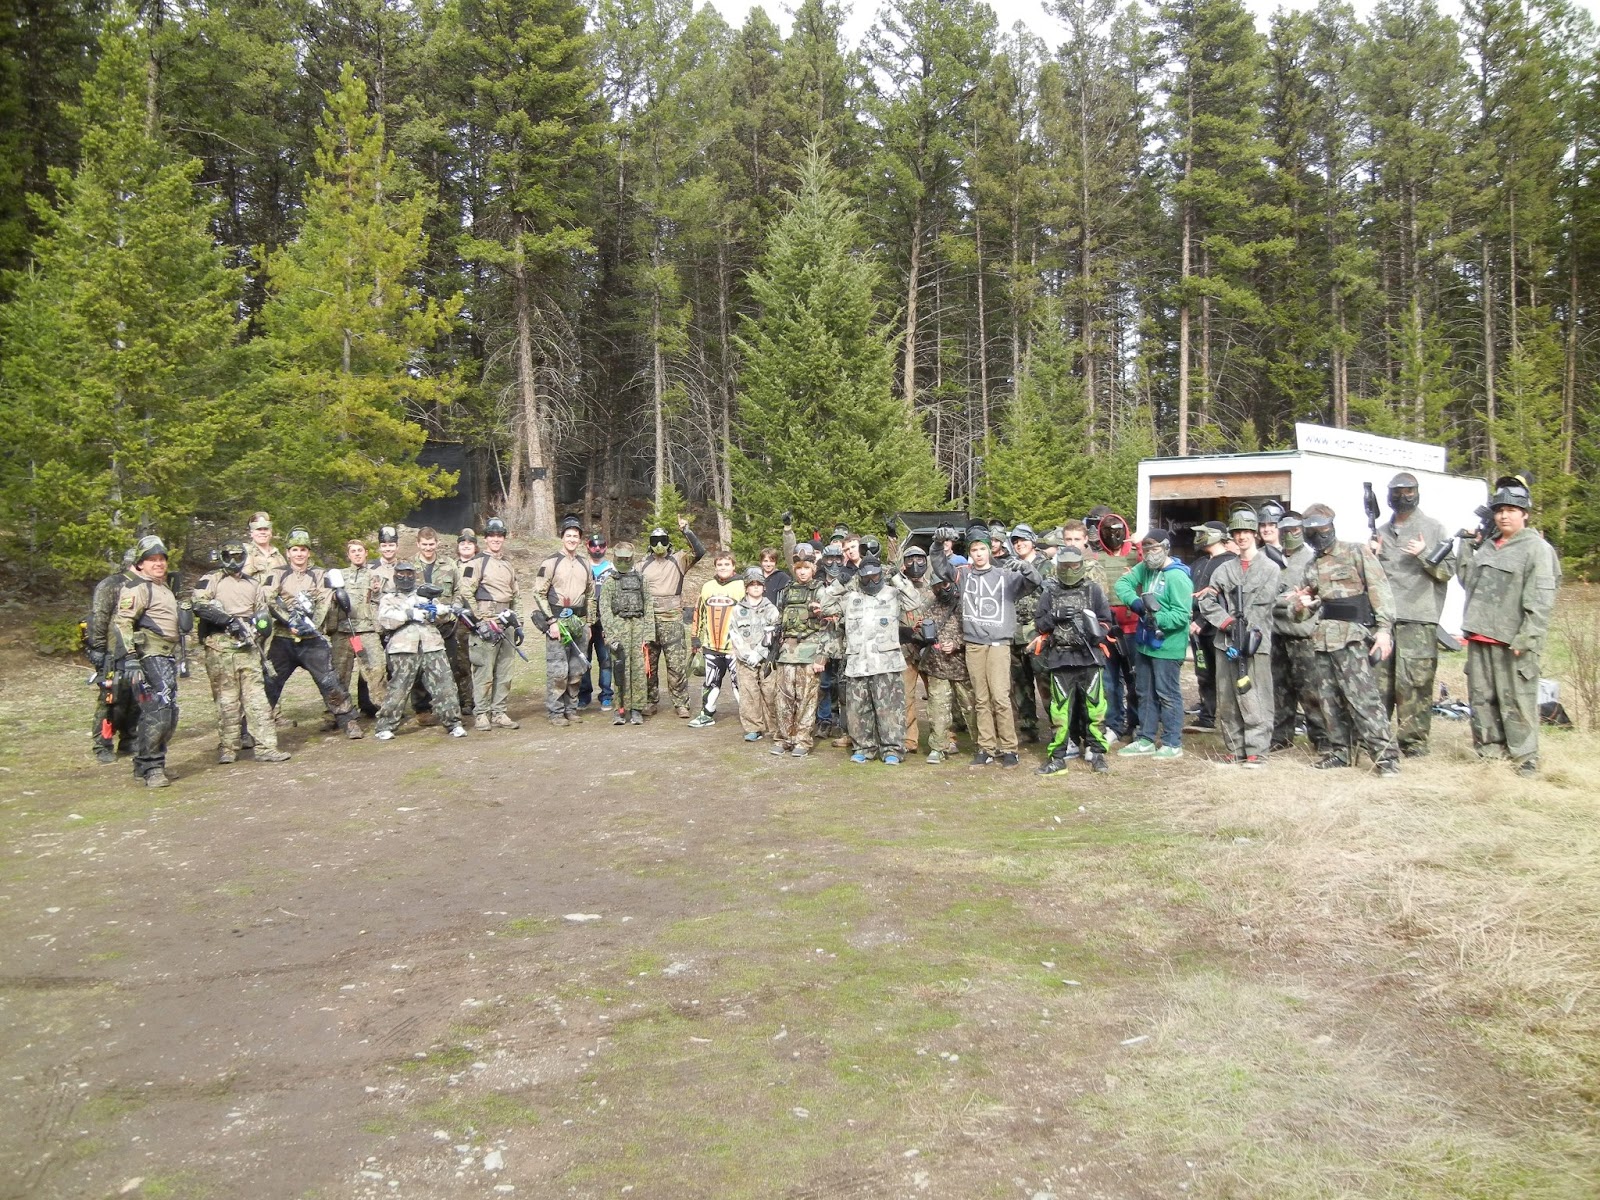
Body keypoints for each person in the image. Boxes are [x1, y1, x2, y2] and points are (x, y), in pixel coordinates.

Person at [1288, 505, 1400, 775]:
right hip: (1323, 639)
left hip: (1353, 638)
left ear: (1332, 526)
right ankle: (1341, 751)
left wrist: (1384, 630)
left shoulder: (1355, 551)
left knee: (1364, 699)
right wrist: (1301, 605)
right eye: (1313, 531)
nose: (1319, 535)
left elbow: (1379, 589)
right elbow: (1301, 612)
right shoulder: (1311, 566)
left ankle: (1385, 757)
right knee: (1329, 701)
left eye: (1323, 529)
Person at [1457, 477, 1558, 776]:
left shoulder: (1536, 548)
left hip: (1512, 640)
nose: (1504, 515)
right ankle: (1490, 753)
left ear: (1524, 513)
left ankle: (1525, 758)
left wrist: (1527, 637)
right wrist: (1466, 547)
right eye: (1499, 510)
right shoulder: (1488, 547)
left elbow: (1542, 599)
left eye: (1512, 509)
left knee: (1517, 700)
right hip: (1479, 636)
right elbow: (1468, 582)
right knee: (1482, 699)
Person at [934, 524, 1042, 768]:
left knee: (1001, 697)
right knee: (981, 699)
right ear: (970, 552)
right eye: (974, 549)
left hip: (998, 644)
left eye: (983, 548)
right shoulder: (963, 574)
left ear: (990, 550)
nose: (979, 553)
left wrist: (1026, 568)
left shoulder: (1005, 575)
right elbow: (940, 566)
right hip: (974, 644)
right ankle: (986, 747)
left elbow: (1036, 582)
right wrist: (936, 544)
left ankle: (1009, 748)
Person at [1372, 472, 1455, 757]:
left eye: (1409, 491)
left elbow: (1446, 572)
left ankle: (1413, 744)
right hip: (1383, 621)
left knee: (1414, 685)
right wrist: (1370, 556)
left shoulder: (1433, 528)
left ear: (1417, 493)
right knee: (1378, 683)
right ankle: (1377, 739)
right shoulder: (1380, 532)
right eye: (1397, 492)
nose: (1403, 497)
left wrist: (1424, 553)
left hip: (1418, 619)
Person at [191, 540, 290, 765]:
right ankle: (229, 748)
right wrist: (227, 621)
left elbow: (263, 612)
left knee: (257, 699)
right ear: (222, 557)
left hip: (248, 648)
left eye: (238, 557)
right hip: (220, 649)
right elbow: (199, 604)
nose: (234, 562)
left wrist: (259, 630)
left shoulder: (253, 584)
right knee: (227, 701)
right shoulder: (211, 580)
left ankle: (266, 747)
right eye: (229, 557)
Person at [1194, 510, 1279, 767]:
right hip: (1225, 641)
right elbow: (1207, 600)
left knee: (1256, 696)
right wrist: (1227, 622)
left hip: (1254, 642)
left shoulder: (1269, 568)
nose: (1241, 537)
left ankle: (1257, 749)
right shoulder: (1224, 569)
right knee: (1228, 697)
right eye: (1237, 533)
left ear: (1254, 534)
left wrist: (1244, 629)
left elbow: (1263, 606)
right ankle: (1235, 747)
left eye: (1246, 532)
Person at [820, 558, 921, 763]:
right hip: (858, 663)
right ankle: (863, 748)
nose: (871, 580)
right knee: (858, 710)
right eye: (866, 576)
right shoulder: (851, 597)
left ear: (881, 575)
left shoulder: (892, 594)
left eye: (875, 576)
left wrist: (897, 577)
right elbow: (825, 605)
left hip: (887, 663)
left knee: (890, 710)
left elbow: (914, 601)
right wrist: (839, 583)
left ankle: (892, 750)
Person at [262, 528, 361, 738]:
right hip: (283, 639)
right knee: (269, 684)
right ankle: (252, 730)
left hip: (312, 640)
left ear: (309, 552)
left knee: (330, 682)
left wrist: (311, 625)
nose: (299, 554)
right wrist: (289, 621)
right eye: (295, 550)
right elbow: (269, 599)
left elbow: (324, 601)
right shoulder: (277, 574)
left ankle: (348, 720)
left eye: (303, 550)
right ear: (288, 552)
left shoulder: (320, 574)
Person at [110, 535, 188, 787]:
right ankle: (151, 767)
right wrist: (131, 658)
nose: (158, 564)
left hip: (166, 655)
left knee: (168, 711)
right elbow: (123, 621)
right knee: (159, 709)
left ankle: (149, 764)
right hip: (149, 654)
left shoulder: (163, 587)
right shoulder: (137, 587)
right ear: (140, 563)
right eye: (152, 560)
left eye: (161, 559)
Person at [1033, 545, 1114, 776]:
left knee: (1096, 710)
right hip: (1060, 658)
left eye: (1073, 566)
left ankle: (1097, 754)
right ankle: (1057, 758)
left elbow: (1107, 622)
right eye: (1064, 566)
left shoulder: (1093, 590)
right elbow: (1039, 624)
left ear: (1080, 565)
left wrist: (1097, 631)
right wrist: (1054, 617)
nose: (1069, 570)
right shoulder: (1049, 592)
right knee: (1059, 712)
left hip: (1089, 658)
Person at [1114, 529, 1192, 760]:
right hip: (1145, 644)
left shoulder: (1177, 577)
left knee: (1167, 694)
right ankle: (1146, 739)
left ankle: (1171, 742)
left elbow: (1182, 615)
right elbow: (1122, 585)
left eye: (1154, 549)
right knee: (1144, 692)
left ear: (1166, 547)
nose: (1149, 554)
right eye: (1146, 549)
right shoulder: (1146, 568)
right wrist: (1137, 604)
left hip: (1168, 646)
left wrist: (1157, 619)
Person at [372, 562, 466, 740]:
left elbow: (441, 615)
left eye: (409, 574)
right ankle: (385, 726)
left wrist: (438, 612)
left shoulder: (424, 595)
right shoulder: (388, 598)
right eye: (401, 574)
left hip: (432, 645)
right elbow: (384, 620)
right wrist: (408, 614)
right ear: (395, 576)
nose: (405, 578)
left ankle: (454, 723)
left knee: (445, 685)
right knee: (398, 688)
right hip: (403, 648)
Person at [1269, 512, 1329, 753]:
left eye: (1295, 531)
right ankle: (1281, 735)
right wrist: (1286, 602)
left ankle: (1322, 737)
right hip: (1277, 633)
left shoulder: (1312, 560)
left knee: (1310, 689)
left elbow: (1317, 597)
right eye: (1285, 531)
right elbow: (1263, 598)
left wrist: (1290, 603)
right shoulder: (1271, 559)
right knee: (1279, 688)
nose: (1289, 536)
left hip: (1304, 634)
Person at [531, 515, 597, 727]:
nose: (572, 539)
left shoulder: (584, 564)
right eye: (568, 535)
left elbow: (591, 594)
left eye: (575, 536)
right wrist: (551, 622)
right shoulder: (551, 562)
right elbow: (538, 593)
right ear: (562, 537)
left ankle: (571, 708)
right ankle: (556, 711)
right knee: (558, 670)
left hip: (578, 621)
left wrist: (588, 623)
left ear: (580, 539)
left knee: (577, 669)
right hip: (558, 621)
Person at [770, 544, 832, 757]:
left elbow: (828, 627)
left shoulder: (821, 591)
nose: (802, 571)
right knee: (783, 698)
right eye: (799, 568)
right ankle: (784, 738)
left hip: (810, 652)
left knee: (807, 699)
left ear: (813, 568)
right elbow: (780, 621)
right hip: (787, 652)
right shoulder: (787, 591)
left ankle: (802, 741)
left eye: (806, 567)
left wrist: (822, 657)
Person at [460, 517, 522, 730]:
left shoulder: (508, 565)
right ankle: (481, 714)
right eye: (492, 536)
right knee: (483, 671)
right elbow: (466, 591)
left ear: (504, 538)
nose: (496, 539)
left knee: (505, 671)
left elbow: (516, 595)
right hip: (486, 623)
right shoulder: (476, 563)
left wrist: (518, 623)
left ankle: (499, 712)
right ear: (485, 538)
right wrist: (479, 619)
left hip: (506, 622)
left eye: (500, 536)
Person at [641, 516, 705, 718]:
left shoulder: (679, 559)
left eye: (662, 540)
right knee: (648, 666)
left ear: (668, 541)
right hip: (650, 621)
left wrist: (686, 530)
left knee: (676, 665)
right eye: (654, 541)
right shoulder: (641, 565)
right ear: (650, 544)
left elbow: (699, 552)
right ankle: (651, 700)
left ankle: (681, 702)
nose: (659, 545)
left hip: (673, 621)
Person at [919, 562, 977, 764]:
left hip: (961, 666)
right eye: (936, 586)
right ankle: (938, 747)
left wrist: (956, 644)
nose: (941, 589)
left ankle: (982, 744)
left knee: (971, 708)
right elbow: (921, 629)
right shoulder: (930, 607)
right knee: (937, 709)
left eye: (944, 585)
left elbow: (975, 632)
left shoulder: (965, 605)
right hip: (936, 666)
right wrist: (925, 636)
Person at [87, 548, 139, 763]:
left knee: (137, 696)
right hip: (112, 650)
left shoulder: (150, 585)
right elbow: (99, 617)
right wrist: (98, 648)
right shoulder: (111, 584)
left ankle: (130, 738)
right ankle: (103, 744)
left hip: (137, 650)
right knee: (111, 699)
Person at [1092, 511, 1139, 740]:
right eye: (1107, 531)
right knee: (1109, 681)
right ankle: (1114, 724)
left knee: (1135, 680)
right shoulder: (1096, 559)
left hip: (1133, 628)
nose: (1113, 536)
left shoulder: (1136, 558)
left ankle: (1137, 723)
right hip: (1108, 628)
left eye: (1117, 531)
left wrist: (1139, 548)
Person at [330, 537, 388, 722]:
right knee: (339, 674)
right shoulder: (338, 575)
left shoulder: (376, 575)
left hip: (367, 631)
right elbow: (327, 601)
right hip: (343, 631)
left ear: (366, 553)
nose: (357, 554)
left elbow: (384, 601)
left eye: (360, 550)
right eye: (353, 551)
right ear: (348, 555)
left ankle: (384, 710)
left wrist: (378, 591)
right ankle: (337, 714)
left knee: (377, 670)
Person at [414, 526, 467, 721]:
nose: (428, 548)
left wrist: (453, 612)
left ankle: (449, 706)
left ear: (437, 543)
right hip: (420, 627)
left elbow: (459, 592)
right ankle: (422, 709)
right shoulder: (410, 567)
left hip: (445, 626)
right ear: (418, 544)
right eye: (424, 545)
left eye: (431, 544)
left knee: (449, 667)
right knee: (420, 668)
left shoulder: (449, 565)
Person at [688, 550, 744, 728]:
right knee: (711, 682)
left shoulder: (742, 586)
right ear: (715, 566)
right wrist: (695, 637)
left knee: (739, 684)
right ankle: (706, 714)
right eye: (720, 564)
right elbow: (699, 612)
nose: (723, 568)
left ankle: (749, 717)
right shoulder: (707, 587)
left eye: (727, 564)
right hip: (711, 645)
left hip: (735, 647)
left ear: (733, 566)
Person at [1187, 520, 1234, 731]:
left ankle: (1230, 720)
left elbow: (1223, 599)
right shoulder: (1198, 563)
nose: (1199, 537)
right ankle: (1207, 717)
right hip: (1197, 631)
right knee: (1204, 673)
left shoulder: (1230, 562)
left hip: (1218, 629)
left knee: (1225, 676)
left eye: (1204, 533)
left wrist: (1202, 620)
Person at [599, 541, 652, 725]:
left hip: (638, 628)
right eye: (619, 558)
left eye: (626, 559)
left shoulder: (641, 579)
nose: (622, 562)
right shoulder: (610, 581)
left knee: (638, 670)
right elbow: (604, 609)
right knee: (619, 670)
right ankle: (619, 709)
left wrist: (648, 634)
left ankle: (637, 709)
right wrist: (611, 635)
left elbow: (649, 606)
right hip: (618, 627)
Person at [1008, 524, 1049, 743]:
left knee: (1045, 684)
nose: (1019, 544)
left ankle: (1057, 726)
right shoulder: (1010, 567)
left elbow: (1050, 591)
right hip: (1015, 634)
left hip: (1038, 633)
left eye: (1023, 540)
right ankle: (1027, 728)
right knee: (1020, 685)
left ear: (1033, 541)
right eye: (1015, 541)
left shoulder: (1046, 566)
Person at [730, 567, 781, 742]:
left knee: (770, 692)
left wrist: (759, 653)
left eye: (759, 584)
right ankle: (753, 727)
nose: (756, 587)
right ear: (746, 587)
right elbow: (734, 633)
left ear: (764, 587)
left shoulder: (771, 608)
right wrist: (746, 654)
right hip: (745, 660)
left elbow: (774, 633)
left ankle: (774, 728)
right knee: (748, 693)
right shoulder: (737, 609)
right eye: (752, 584)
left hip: (766, 659)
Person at [898, 545, 933, 753]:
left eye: (919, 559)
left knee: (937, 696)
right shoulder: (898, 588)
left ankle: (944, 736)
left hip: (930, 649)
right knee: (905, 696)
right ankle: (909, 739)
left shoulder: (933, 587)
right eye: (910, 560)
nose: (915, 564)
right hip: (907, 649)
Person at [577, 532, 615, 712]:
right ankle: (584, 696)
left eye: (600, 545)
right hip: (584, 619)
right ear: (587, 546)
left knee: (606, 659)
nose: (597, 548)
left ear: (606, 546)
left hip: (605, 621)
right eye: (593, 545)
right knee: (584, 659)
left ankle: (606, 695)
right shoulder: (581, 566)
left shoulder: (613, 569)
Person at [243, 512, 286, 580]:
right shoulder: (244, 553)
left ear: (271, 532)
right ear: (251, 533)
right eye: (258, 529)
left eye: (266, 529)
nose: (262, 532)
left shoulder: (277, 555)